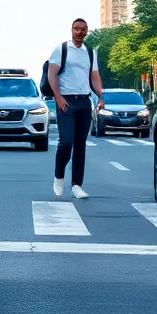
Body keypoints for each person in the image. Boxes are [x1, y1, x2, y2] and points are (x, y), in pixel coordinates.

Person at [46, 18, 104, 200]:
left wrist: (101, 96)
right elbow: (51, 74)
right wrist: (58, 96)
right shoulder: (61, 49)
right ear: (71, 30)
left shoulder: (90, 53)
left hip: (84, 102)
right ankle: (59, 176)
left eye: (83, 29)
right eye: (76, 29)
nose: (80, 32)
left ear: (87, 32)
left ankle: (77, 185)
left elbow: (94, 76)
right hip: (66, 101)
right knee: (66, 142)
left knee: (80, 145)